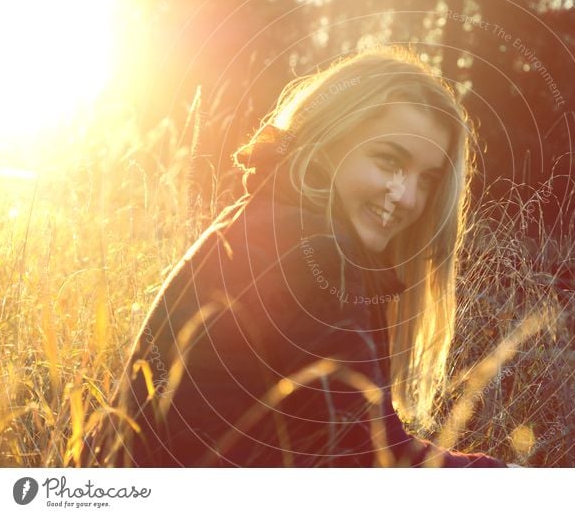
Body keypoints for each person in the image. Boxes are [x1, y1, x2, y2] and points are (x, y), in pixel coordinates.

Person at [87, 46, 506, 467]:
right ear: (328, 140)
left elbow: (358, 441)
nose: (407, 197)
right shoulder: (316, 251)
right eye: (388, 161)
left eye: (427, 180)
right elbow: (369, 462)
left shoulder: (272, 220)